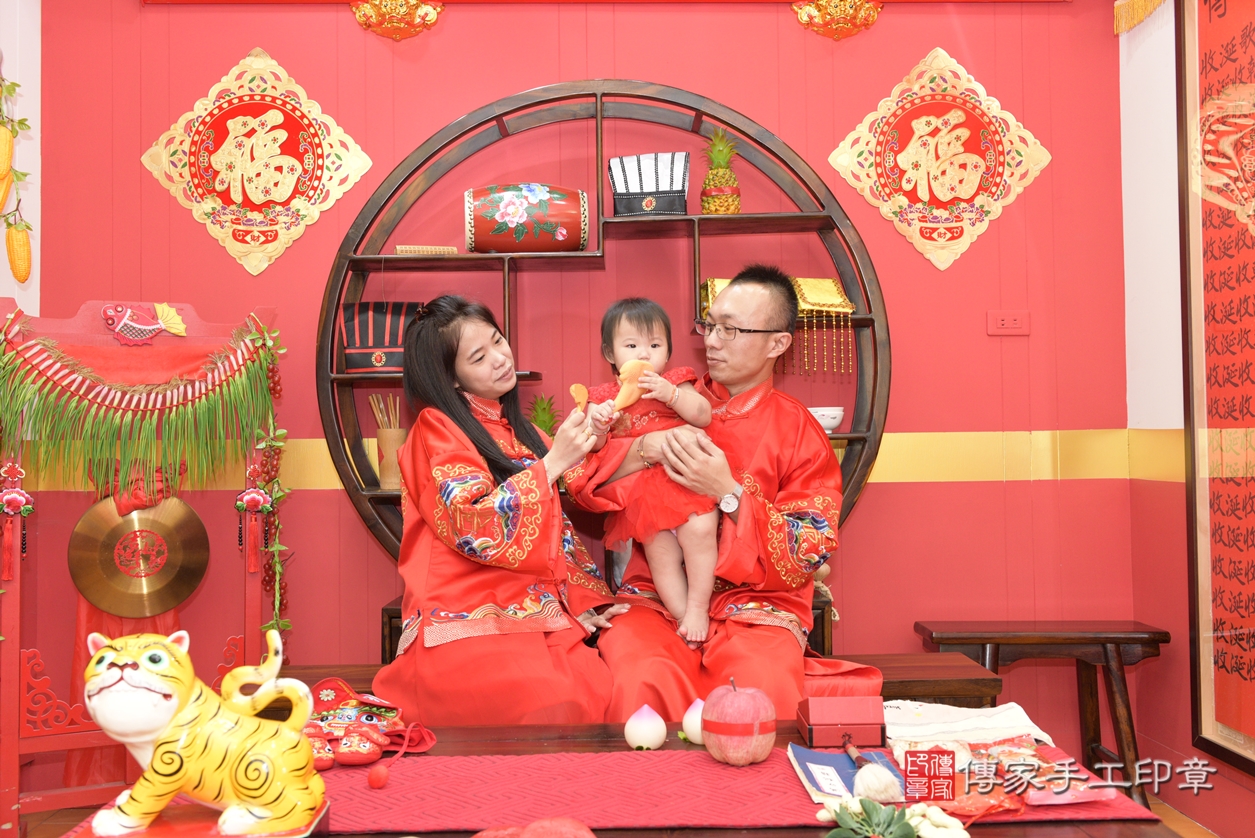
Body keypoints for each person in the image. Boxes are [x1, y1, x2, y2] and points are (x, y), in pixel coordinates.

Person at [567, 265, 882, 722]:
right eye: (709, 325)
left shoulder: (799, 431)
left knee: (758, 684)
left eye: (731, 330)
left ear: (778, 343)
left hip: (757, 603)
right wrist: (644, 449)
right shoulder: (660, 400)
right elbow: (580, 487)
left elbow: (808, 549)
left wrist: (727, 492)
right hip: (656, 593)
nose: (712, 341)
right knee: (639, 676)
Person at [372, 295, 629, 726]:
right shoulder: (435, 429)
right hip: (464, 608)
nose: (500, 358)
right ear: (451, 379)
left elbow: (583, 484)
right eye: (478, 356)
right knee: (552, 700)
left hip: (534, 604)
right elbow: (472, 523)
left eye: (497, 340)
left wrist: (597, 438)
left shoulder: (520, 431)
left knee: (598, 686)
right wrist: (552, 463)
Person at [584, 298, 717, 645]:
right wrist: (598, 425)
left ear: (668, 351)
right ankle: (683, 618)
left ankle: (698, 607)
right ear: (610, 353)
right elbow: (595, 449)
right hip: (644, 497)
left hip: (684, 481)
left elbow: (703, 415)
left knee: (701, 532)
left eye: (655, 345)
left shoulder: (675, 381)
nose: (644, 354)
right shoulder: (604, 397)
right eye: (631, 346)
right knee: (662, 557)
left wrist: (672, 395)